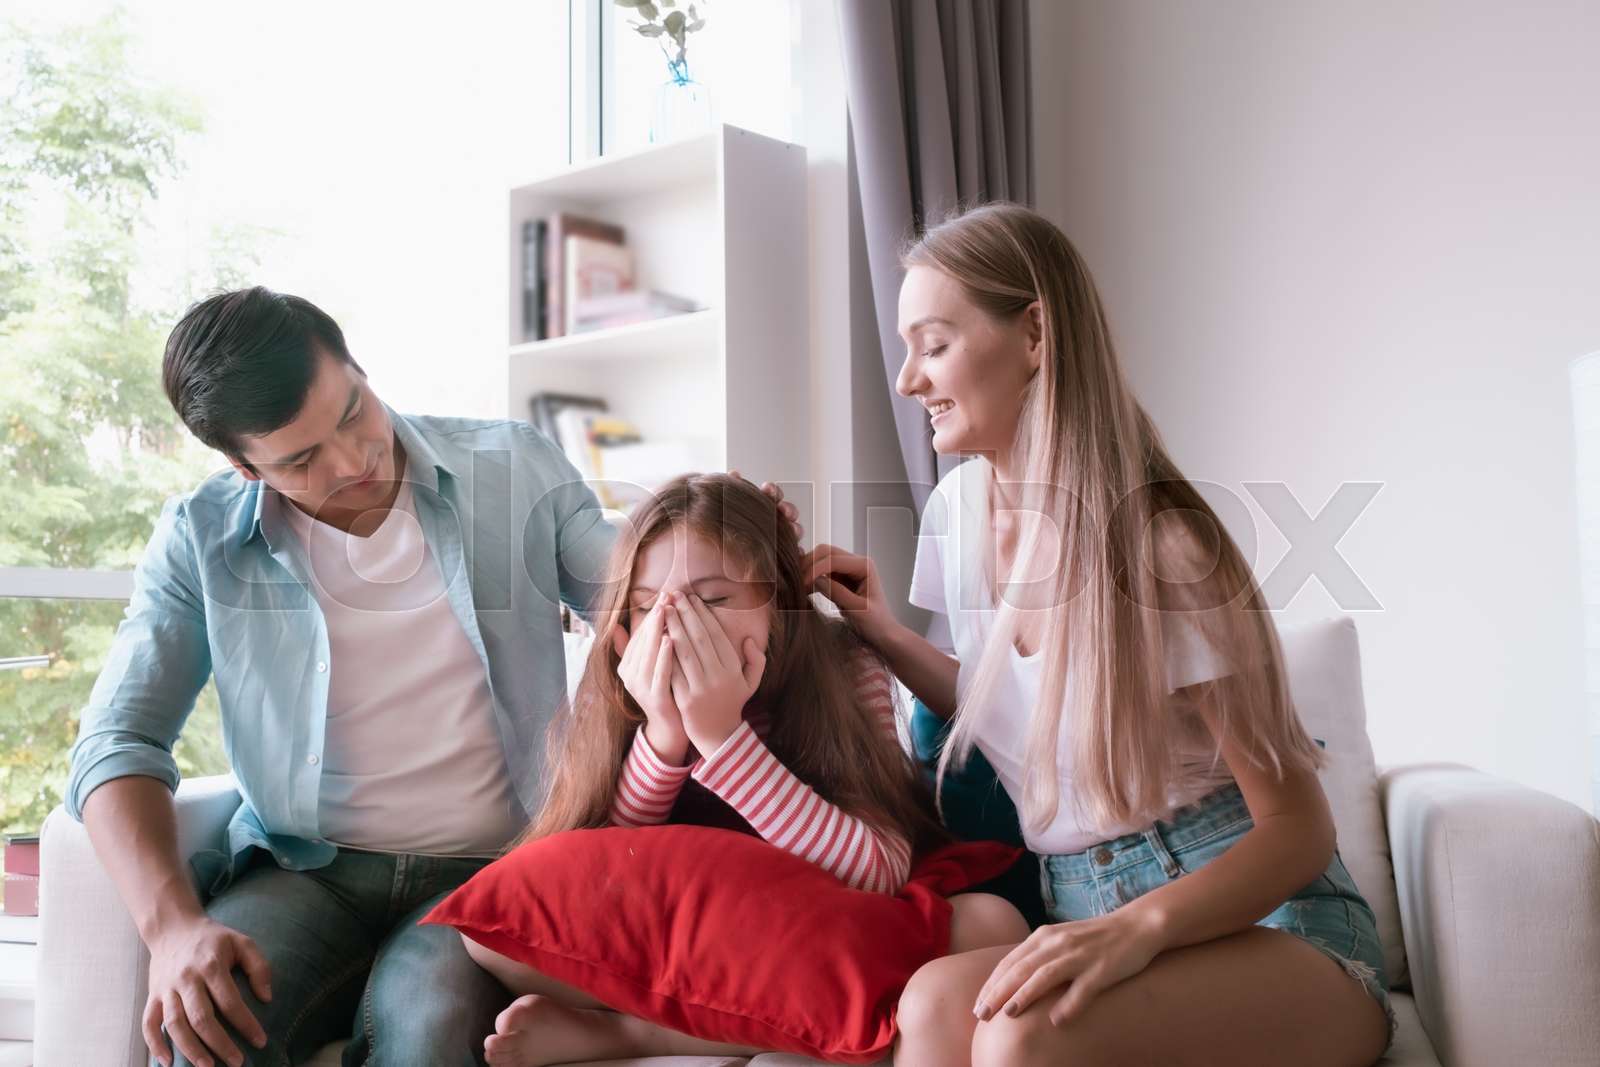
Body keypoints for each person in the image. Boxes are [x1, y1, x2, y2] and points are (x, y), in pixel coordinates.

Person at [64, 287, 802, 1067]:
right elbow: (120, 738)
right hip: (302, 868)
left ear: (358, 368)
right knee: (208, 1032)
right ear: (244, 466)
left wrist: (750, 552)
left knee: (437, 1031)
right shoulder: (198, 541)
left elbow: (637, 596)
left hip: (491, 868)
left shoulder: (512, 467)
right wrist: (172, 927)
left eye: (352, 410)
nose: (352, 461)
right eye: (302, 459)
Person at [804, 203, 1395, 1067]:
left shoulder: (1162, 545)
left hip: (1271, 921)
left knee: (1016, 1039)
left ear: (1036, 333)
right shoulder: (956, 517)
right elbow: (1002, 703)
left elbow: (1297, 826)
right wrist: (882, 632)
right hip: (1078, 898)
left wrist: (1137, 929)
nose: (907, 381)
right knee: (931, 1005)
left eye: (931, 345)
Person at [461, 473, 1026, 1067]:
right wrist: (667, 734)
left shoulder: (842, 665)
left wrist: (723, 739)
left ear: (778, 605)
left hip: (820, 928)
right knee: (487, 935)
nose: (679, 627)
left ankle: (643, 1034)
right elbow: (602, 871)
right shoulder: (623, 686)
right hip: (693, 934)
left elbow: (879, 870)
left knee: (988, 924)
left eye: (713, 600)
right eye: (651, 607)